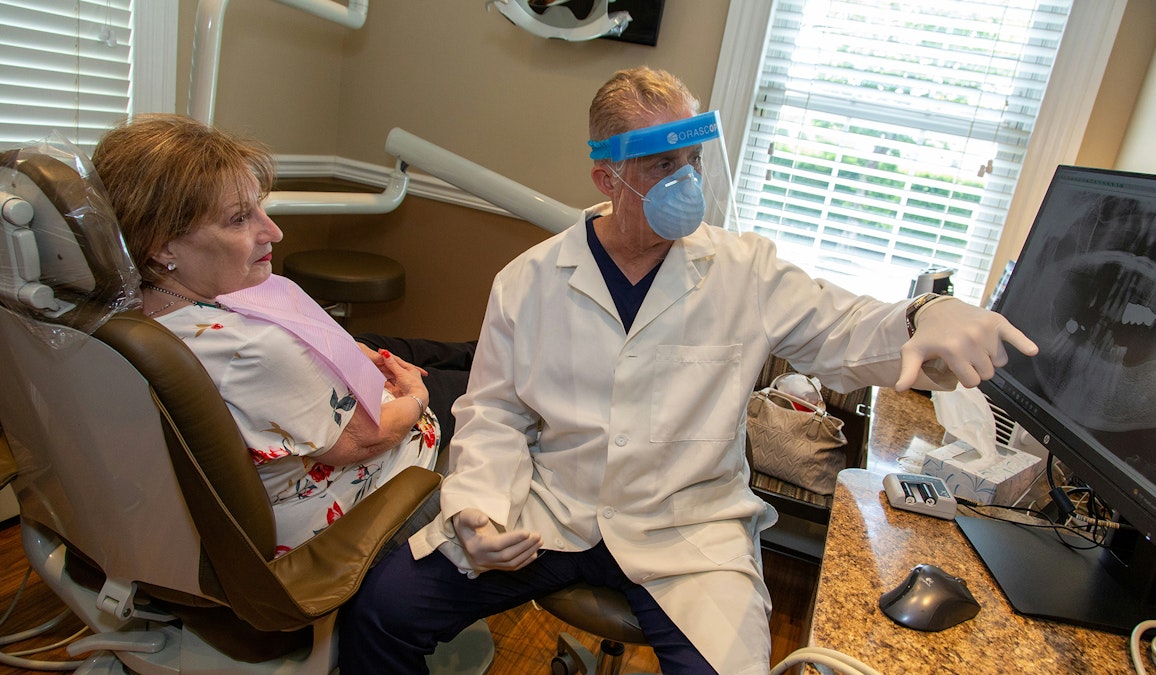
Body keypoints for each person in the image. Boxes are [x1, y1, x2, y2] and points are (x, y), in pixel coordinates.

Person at [337, 67, 1039, 674]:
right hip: (554, 508)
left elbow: (848, 328)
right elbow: (494, 412)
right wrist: (477, 509)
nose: (686, 182)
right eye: (660, 168)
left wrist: (926, 315)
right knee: (380, 612)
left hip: (689, 531)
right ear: (605, 176)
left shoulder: (746, 272)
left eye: (693, 161)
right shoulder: (529, 281)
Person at [91, 114, 474, 554]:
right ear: (161, 245)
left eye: (259, 207)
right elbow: (363, 438)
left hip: (294, 401)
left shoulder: (127, 303)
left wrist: (343, 352)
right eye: (238, 219)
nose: (273, 231)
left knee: (389, 345)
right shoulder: (256, 350)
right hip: (354, 475)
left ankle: (476, 349)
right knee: (457, 382)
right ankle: (498, 362)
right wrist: (415, 396)